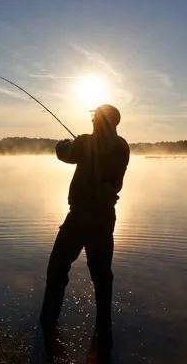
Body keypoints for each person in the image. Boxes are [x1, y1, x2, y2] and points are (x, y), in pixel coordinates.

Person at [39, 103, 130, 357]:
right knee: (102, 275)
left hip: (79, 218)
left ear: (101, 120)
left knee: (57, 268)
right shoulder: (123, 146)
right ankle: (104, 327)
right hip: (105, 218)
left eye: (94, 117)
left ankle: (48, 322)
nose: (91, 120)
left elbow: (63, 153)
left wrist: (65, 142)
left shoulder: (86, 142)